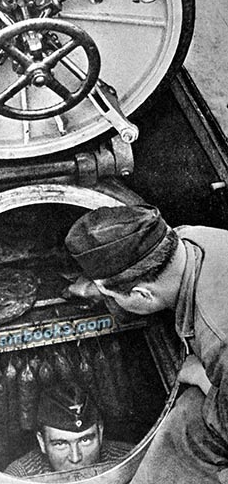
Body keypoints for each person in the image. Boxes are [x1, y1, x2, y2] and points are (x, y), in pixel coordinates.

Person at [64, 204, 228, 484]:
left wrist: (201, 377)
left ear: (143, 294)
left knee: (184, 434)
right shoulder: (191, 239)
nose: (110, 302)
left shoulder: (218, 335)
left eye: (112, 297)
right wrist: (99, 287)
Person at [4, 383, 131, 477]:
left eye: (85, 440)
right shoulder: (19, 477)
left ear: (100, 433)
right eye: (60, 444)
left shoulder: (130, 460)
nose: (75, 458)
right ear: (42, 442)